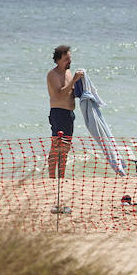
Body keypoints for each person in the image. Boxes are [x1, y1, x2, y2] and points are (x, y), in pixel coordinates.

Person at [46, 45, 84, 178]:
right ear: (57, 60)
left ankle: (61, 176)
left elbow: (70, 92)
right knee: (56, 147)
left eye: (70, 59)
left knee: (66, 148)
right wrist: (74, 80)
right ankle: (52, 177)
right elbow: (59, 94)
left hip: (69, 114)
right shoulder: (53, 74)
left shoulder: (68, 73)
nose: (69, 61)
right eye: (66, 59)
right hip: (58, 113)